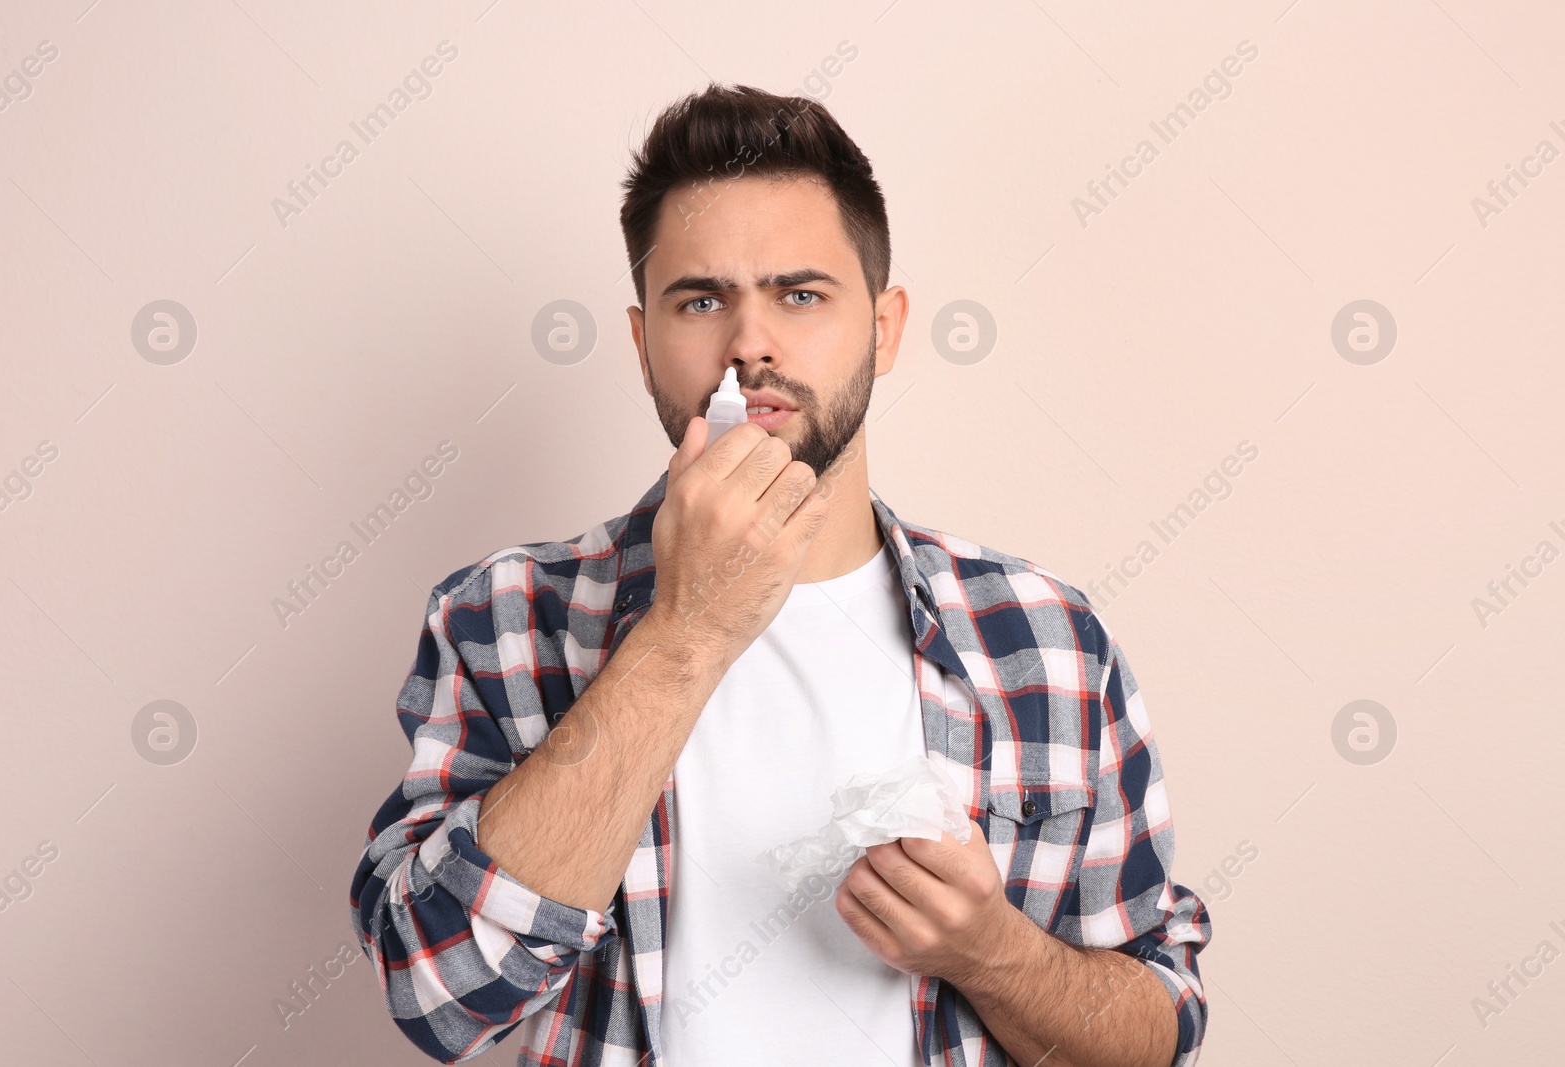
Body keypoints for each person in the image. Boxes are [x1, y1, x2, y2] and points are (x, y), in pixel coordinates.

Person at [349, 83, 1210, 1066]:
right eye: (701, 299)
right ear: (641, 347)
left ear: (884, 330)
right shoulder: (507, 617)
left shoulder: (1046, 639)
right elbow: (438, 993)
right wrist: (685, 634)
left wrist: (992, 951)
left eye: (800, 295)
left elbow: (1154, 1035)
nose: (749, 343)